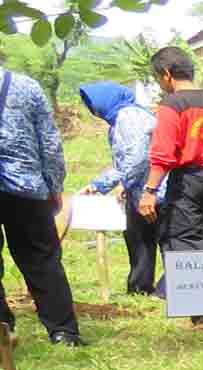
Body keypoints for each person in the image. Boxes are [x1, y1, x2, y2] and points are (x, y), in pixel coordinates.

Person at [0, 65, 82, 345]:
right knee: (42, 259)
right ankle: (63, 331)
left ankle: (2, 328)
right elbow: (49, 142)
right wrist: (55, 185)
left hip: (25, 186)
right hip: (27, 188)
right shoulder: (26, 86)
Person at [140, 47, 203, 274]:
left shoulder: (171, 105)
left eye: (158, 78)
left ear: (166, 74)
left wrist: (149, 191)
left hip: (189, 182)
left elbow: (163, 154)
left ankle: (199, 306)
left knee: (186, 243)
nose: (159, 83)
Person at [78, 81, 161, 295]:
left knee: (159, 238)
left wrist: (104, 183)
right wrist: (126, 182)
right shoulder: (120, 119)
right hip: (138, 187)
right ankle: (140, 288)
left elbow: (137, 158)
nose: (93, 110)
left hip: (154, 189)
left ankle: (169, 289)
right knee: (137, 236)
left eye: (93, 104)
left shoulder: (129, 117)